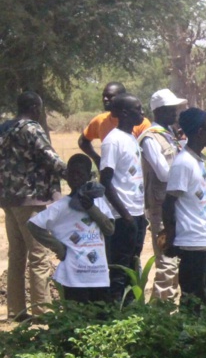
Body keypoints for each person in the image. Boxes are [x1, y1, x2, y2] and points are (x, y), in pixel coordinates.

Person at [0, 91, 66, 320]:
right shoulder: (31, 128)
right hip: (30, 199)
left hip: (8, 199)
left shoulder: (5, 128)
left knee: (17, 254)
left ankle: (16, 310)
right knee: (39, 255)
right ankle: (42, 311)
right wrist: (74, 173)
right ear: (36, 108)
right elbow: (49, 157)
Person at [163, 108, 206, 312]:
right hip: (190, 241)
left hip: (204, 239)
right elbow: (168, 203)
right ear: (200, 132)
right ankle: (188, 340)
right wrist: (171, 236)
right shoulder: (183, 164)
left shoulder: (196, 161)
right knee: (194, 298)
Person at [27, 154, 114, 304]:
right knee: (76, 316)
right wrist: (58, 248)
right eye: (71, 173)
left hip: (98, 275)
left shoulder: (98, 203)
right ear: (66, 176)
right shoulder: (61, 207)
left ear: (89, 176)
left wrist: (91, 208)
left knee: (101, 318)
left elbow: (109, 229)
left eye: (80, 174)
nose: (75, 178)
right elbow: (33, 225)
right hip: (74, 276)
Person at [139, 88, 187, 302]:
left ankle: (166, 308)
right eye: (171, 109)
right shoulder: (150, 139)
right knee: (167, 261)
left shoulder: (169, 135)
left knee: (176, 260)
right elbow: (164, 173)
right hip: (160, 207)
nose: (176, 113)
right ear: (159, 112)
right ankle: (160, 312)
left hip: (175, 206)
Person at [100, 93, 149, 304]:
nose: (142, 113)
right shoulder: (113, 141)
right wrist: (126, 215)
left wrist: (139, 215)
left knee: (132, 265)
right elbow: (105, 182)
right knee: (119, 269)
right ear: (124, 113)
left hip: (137, 214)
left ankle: (130, 311)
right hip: (122, 217)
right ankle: (114, 313)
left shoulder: (131, 138)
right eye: (138, 109)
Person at [78, 82, 151, 164]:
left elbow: (150, 152)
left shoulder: (141, 122)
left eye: (110, 96)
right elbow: (83, 141)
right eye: (104, 96)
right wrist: (97, 159)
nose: (105, 99)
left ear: (123, 97)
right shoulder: (100, 120)